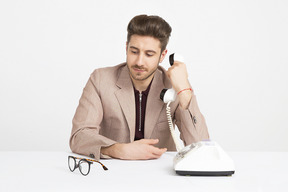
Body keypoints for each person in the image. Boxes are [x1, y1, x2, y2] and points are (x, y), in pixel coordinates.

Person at [69, 14, 209, 160]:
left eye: (149, 54)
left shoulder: (175, 85)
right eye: (134, 51)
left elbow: (203, 150)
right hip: (111, 173)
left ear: (162, 56)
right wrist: (118, 150)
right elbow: (79, 136)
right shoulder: (100, 79)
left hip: (160, 176)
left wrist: (184, 91)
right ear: (126, 47)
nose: (139, 62)